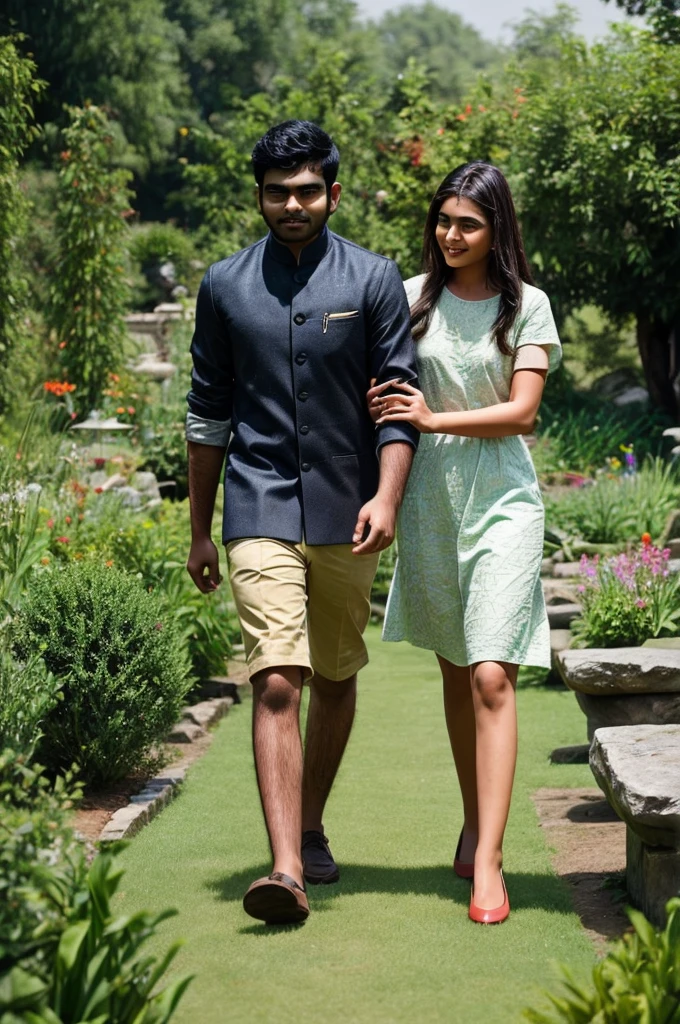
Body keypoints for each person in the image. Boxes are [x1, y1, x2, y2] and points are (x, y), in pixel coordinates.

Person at [185, 120, 418, 926]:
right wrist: (200, 529)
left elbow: (398, 404)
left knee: (337, 677)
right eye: (278, 192)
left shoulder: (374, 279)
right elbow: (208, 413)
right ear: (258, 196)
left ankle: (310, 823)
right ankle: (285, 870)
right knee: (279, 678)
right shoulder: (224, 285)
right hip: (257, 503)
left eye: (308, 191)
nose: (293, 204)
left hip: (349, 508)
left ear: (333, 193)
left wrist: (387, 497)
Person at [369, 161, 561, 925]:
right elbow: (380, 386)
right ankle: (474, 821)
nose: (452, 234)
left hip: (503, 500)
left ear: (496, 229)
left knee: (490, 673)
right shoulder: (410, 297)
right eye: (444, 220)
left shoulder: (528, 306)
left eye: (469, 224)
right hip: (430, 503)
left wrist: (433, 418)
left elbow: (523, 412)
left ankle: (490, 860)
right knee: (456, 666)